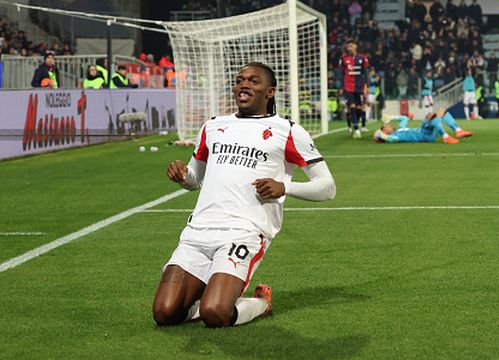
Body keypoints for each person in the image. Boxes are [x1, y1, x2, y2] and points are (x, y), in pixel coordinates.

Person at [152, 62, 336, 328]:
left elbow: (327, 187)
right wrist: (183, 176)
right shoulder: (213, 126)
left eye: (253, 81)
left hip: (244, 232)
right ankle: (209, 293)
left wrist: (285, 187)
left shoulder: (288, 131)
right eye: (239, 80)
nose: (244, 85)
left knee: (216, 313)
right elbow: (194, 180)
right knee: (164, 313)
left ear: (269, 92)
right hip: (198, 231)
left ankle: (261, 303)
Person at [374, 109, 473, 144]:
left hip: (427, 132)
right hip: (425, 135)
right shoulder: (396, 136)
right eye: (385, 126)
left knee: (441, 111)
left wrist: (392, 117)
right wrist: (380, 134)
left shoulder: (400, 128)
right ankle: (446, 137)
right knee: (430, 116)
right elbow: (392, 140)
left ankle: (458, 130)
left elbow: (404, 118)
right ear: (385, 132)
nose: (387, 125)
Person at [338, 39, 370, 138]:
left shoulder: (362, 58)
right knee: (351, 106)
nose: (349, 48)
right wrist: (341, 87)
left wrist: (366, 86)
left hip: (359, 86)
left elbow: (365, 73)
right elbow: (341, 74)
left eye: (351, 46)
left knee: (360, 107)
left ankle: (357, 123)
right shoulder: (343, 59)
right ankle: (356, 128)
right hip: (348, 86)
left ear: (355, 46)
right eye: (348, 46)